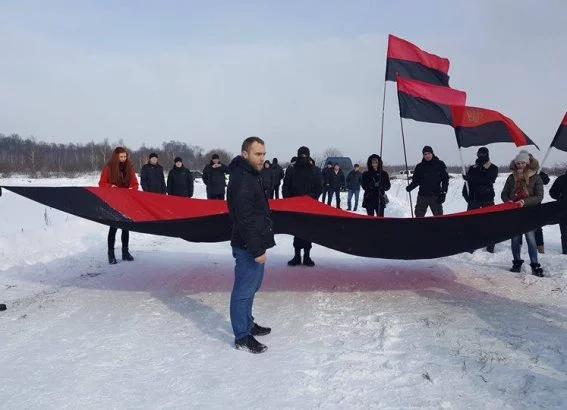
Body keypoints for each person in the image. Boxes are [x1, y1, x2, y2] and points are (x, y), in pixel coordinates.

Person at [226, 136, 275, 354]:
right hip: (248, 246)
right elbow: (244, 219)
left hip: (255, 242)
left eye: (263, 154)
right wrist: (256, 250)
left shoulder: (251, 174)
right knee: (243, 291)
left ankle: (248, 323)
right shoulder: (242, 179)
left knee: (252, 287)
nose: (261, 158)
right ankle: (242, 336)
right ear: (245, 154)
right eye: (257, 154)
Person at [501, 150, 544, 276]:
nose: (520, 165)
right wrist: (508, 201)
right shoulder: (511, 177)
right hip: (514, 212)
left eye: (522, 163)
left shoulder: (536, 177)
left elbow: (539, 196)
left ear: (528, 163)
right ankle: (516, 262)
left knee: (530, 238)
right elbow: (504, 193)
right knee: (515, 238)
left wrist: (525, 202)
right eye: (518, 163)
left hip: (529, 212)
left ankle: (535, 264)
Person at [282, 146, 323, 266]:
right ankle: (296, 255)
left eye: (305, 155)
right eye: (301, 155)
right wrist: (290, 201)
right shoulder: (292, 170)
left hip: (309, 206)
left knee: (308, 231)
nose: (303, 158)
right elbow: (286, 187)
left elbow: (319, 187)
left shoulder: (315, 170)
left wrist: (310, 198)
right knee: (297, 231)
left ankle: (307, 256)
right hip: (295, 205)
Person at [98, 147, 139, 264]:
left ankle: (125, 252)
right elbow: (101, 183)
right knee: (113, 227)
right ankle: (111, 254)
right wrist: (111, 187)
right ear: (116, 157)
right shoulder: (109, 167)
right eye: (121, 157)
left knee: (126, 227)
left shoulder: (129, 167)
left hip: (126, 200)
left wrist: (132, 189)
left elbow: (135, 183)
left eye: (125, 156)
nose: (123, 159)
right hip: (113, 201)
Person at [462, 147, 498, 252]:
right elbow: (467, 183)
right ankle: (471, 245)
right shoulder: (473, 168)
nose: (481, 156)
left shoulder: (493, 168)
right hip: (474, 199)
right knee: (471, 223)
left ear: (487, 154)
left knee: (490, 223)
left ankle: (490, 245)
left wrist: (471, 178)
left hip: (487, 199)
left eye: (483, 154)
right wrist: (465, 194)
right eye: (479, 154)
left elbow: (488, 180)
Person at [405, 146, 449, 217]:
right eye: (425, 154)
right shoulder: (419, 167)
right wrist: (410, 187)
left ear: (432, 153)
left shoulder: (440, 164)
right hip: (422, 197)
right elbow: (416, 181)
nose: (427, 156)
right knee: (418, 217)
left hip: (436, 196)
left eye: (429, 153)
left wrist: (443, 193)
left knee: (439, 218)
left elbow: (445, 180)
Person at [549, 168, 567, 254]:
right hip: (563, 209)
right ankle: (566, 251)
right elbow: (552, 192)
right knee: (565, 231)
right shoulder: (561, 179)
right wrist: (560, 197)